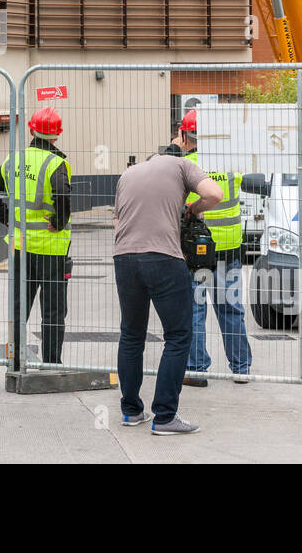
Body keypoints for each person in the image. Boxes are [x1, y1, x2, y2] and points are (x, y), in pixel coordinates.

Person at [112, 145, 222, 434]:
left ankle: (131, 411)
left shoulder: (128, 174)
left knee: (132, 335)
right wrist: (191, 210)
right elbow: (214, 194)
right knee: (178, 336)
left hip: (123, 258)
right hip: (162, 257)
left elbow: (117, 222)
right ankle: (164, 416)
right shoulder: (182, 166)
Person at [0, 106, 72, 365]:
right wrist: (59, 222)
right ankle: (51, 363)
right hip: (51, 250)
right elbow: (63, 195)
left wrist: (6, 217)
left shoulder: (14, 160)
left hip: (20, 248)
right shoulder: (56, 163)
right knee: (52, 311)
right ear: (56, 136)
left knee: (20, 307)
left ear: (31, 129)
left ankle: (17, 361)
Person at [177, 108, 253, 386]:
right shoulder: (230, 163)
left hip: (196, 251)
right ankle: (241, 368)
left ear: (185, 135)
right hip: (229, 249)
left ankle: (196, 369)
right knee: (231, 308)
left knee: (195, 310)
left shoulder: (186, 166)